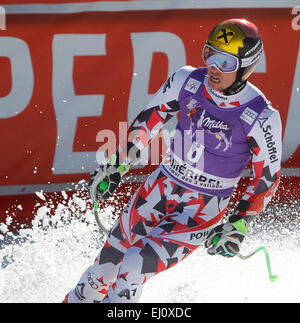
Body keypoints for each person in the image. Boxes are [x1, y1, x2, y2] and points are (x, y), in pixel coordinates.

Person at [63, 18, 282, 303]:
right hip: (157, 190)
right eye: (210, 54)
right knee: (102, 271)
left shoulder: (262, 116)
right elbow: (147, 121)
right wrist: (117, 164)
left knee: (132, 267)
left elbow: (267, 179)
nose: (214, 68)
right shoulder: (186, 80)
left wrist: (239, 222)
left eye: (226, 63)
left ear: (245, 67)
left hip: (199, 213)